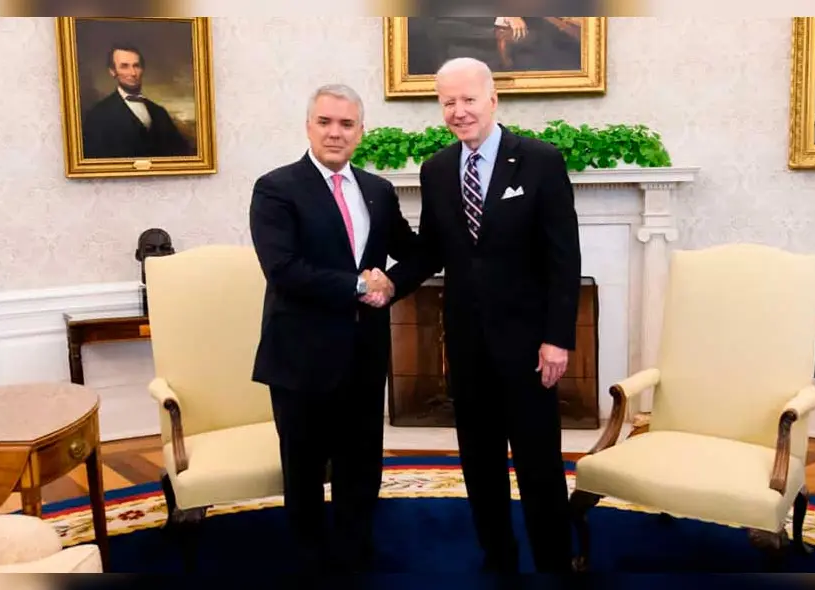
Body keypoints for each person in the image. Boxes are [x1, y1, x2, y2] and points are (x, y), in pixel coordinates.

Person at [386, 57, 582, 573]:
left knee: (539, 461)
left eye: (468, 99)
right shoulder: (436, 170)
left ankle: (554, 561)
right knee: (479, 460)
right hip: (467, 344)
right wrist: (389, 283)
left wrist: (557, 338)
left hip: (530, 346)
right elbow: (432, 251)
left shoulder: (539, 160)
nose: (459, 111)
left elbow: (564, 258)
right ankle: (498, 556)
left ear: (493, 99)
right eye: (448, 102)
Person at [248, 83, 419, 573]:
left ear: (361, 132)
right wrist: (359, 285)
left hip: (364, 354)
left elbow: (413, 253)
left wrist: (392, 284)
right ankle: (310, 565)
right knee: (303, 471)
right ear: (309, 126)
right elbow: (283, 269)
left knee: (361, 466)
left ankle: (355, 556)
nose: (335, 133)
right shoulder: (276, 188)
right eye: (325, 122)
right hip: (300, 357)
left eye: (346, 124)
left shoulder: (378, 191)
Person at [81, 44, 192, 159]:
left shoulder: (159, 112)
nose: (133, 73)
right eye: (124, 66)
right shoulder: (98, 114)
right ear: (112, 71)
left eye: (136, 66)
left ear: (142, 69)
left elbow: (182, 153)